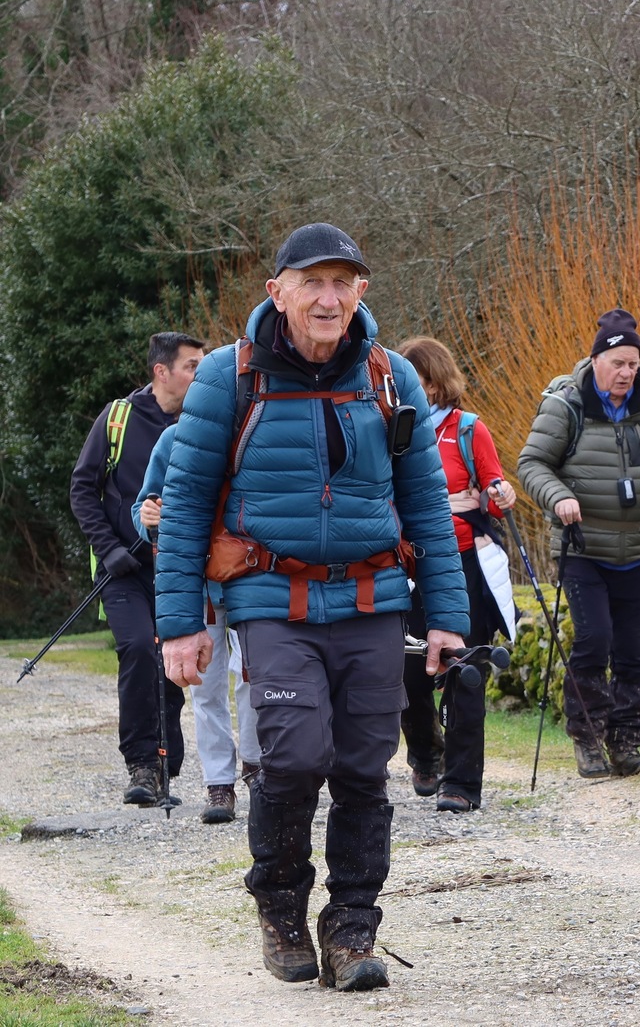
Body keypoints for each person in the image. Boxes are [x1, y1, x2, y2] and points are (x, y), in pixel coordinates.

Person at [154, 223, 469, 992]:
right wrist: (180, 624)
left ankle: (352, 928)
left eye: (342, 283)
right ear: (278, 291)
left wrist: (447, 615)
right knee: (293, 758)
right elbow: (185, 502)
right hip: (271, 598)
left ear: (361, 291)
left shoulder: (390, 376)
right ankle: (281, 906)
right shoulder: (228, 377)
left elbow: (427, 504)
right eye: (312, 283)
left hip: (373, 599)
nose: (328, 299)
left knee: (365, 769)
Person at [517, 308, 640, 779]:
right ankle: (588, 739)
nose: (627, 372)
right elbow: (531, 464)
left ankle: (626, 743)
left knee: (631, 650)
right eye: (618, 363)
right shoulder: (565, 405)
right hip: (582, 546)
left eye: (633, 364)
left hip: (636, 547)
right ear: (596, 361)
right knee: (593, 640)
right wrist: (559, 497)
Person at [69, 332, 204, 807]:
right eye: (191, 366)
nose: (199, 375)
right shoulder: (118, 419)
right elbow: (82, 489)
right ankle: (143, 765)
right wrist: (109, 549)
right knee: (139, 649)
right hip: (121, 571)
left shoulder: (200, 422)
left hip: (178, 569)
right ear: (161, 371)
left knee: (173, 659)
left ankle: (167, 765)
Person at [394, 336, 518, 813]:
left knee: (466, 670)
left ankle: (461, 783)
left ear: (435, 382)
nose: (406, 387)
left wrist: (499, 494)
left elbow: (492, 491)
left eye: (416, 380)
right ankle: (426, 753)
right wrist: (446, 504)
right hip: (407, 565)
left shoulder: (468, 429)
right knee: (408, 671)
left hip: (464, 562)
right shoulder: (393, 426)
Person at [136, 423, 257, 825]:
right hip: (200, 585)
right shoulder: (174, 439)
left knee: (254, 676)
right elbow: (145, 509)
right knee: (205, 688)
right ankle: (218, 783)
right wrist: (148, 517)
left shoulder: (256, 426)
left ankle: (256, 767)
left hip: (251, 577)